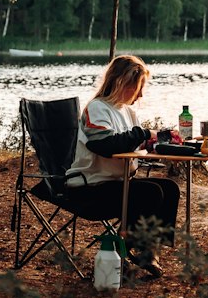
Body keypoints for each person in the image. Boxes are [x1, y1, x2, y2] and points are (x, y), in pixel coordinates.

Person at [65, 53, 180, 278]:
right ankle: (123, 250)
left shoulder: (128, 112)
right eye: (138, 87)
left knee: (169, 188)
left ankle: (148, 251)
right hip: (90, 187)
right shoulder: (97, 108)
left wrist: (163, 142)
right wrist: (144, 133)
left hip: (118, 184)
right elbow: (105, 145)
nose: (141, 94)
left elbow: (135, 142)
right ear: (122, 83)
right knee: (149, 192)